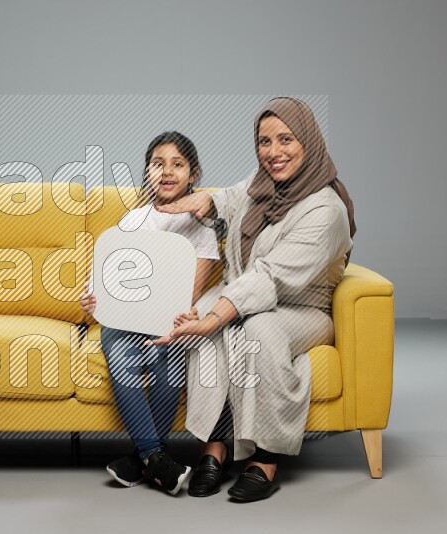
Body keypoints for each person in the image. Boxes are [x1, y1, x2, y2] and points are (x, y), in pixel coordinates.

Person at [151, 97, 356, 502]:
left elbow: (270, 277)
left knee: (256, 329)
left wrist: (216, 317)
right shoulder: (263, 182)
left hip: (299, 308)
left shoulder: (325, 210)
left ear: (309, 141)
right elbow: (232, 198)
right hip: (246, 290)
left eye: (286, 139)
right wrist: (203, 201)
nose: (273, 152)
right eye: (264, 141)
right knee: (206, 319)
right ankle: (215, 444)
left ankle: (265, 457)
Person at [80, 131, 219, 496]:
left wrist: (164, 321)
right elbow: (111, 281)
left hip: (168, 318)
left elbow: (192, 293)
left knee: (165, 350)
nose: (167, 172)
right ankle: (156, 457)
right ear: (147, 173)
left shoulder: (201, 226)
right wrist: (95, 303)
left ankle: (144, 458)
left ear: (194, 173)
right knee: (115, 341)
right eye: (158, 164)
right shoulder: (133, 220)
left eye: (178, 164)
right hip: (126, 319)